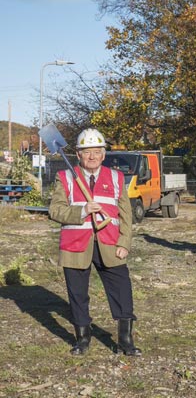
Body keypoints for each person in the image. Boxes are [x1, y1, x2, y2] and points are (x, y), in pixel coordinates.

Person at [49, 128, 141, 356]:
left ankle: (125, 341)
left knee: (122, 290)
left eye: (97, 152)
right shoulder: (66, 177)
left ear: (103, 154)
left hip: (110, 243)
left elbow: (125, 215)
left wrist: (124, 243)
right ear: (78, 154)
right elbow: (55, 210)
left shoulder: (117, 177)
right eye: (87, 152)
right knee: (78, 294)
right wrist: (82, 211)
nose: (92, 156)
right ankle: (82, 339)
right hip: (75, 245)